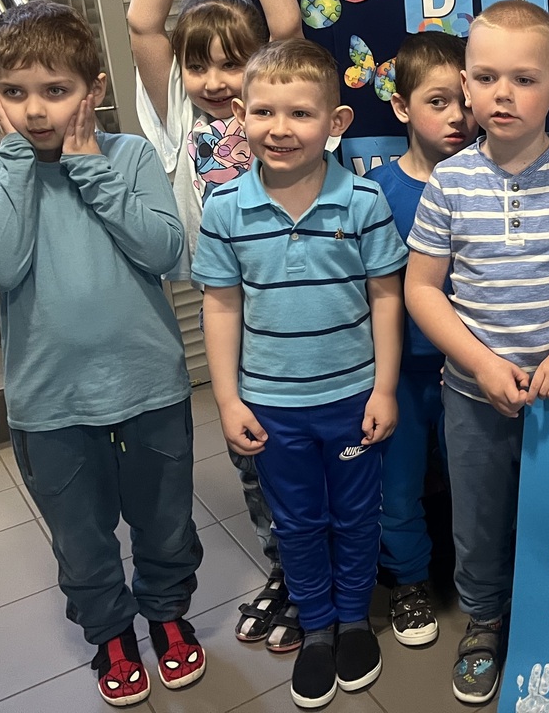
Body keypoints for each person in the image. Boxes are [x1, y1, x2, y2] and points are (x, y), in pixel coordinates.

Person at [0, 1, 204, 707]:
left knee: (165, 521)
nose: (36, 110)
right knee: (81, 536)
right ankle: (111, 634)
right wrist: (17, 163)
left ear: (93, 89)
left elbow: (165, 251)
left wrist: (91, 168)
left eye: (56, 90)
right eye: (16, 93)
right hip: (51, 401)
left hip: (149, 386)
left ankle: (167, 614)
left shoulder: (130, 157)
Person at [403, 0, 549, 705]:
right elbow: (422, 290)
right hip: (474, 396)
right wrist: (480, 363)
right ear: (466, 86)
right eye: (486, 77)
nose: (503, 94)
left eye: (524, 80)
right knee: (478, 518)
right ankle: (485, 620)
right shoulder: (449, 182)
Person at [125, 0, 307, 651]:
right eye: (198, 65)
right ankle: (287, 569)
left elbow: (286, 29)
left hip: (301, 297)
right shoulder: (178, 119)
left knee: (312, 448)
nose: (215, 79)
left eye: (232, 64)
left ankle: (324, 570)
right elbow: (144, 24)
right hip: (228, 307)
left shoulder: (273, 105)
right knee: (252, 449)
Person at [193, 39, 407, 709]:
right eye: (263, 112)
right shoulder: (225, 208)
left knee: (355, 515)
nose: (279, 128)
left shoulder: (364, 200)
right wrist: (227, 400)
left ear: (336, 123)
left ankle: (353, 620)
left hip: (351, 399)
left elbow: (387, 297)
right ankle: (315, 626)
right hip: (271, 406)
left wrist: (384, 388)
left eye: (300, 113)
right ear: (240, 115)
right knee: (296, 521)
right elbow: (221, 306)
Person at [364, 31, 476, 648]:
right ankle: (409, 581)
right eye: (438, 102)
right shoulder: (376, 191)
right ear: (401, 107)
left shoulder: (491, 182)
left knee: (474, 485)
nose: (457, 116)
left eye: (465, 100)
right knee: (398, 486)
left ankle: (482, 583)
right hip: (400, 374)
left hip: (474, 374)